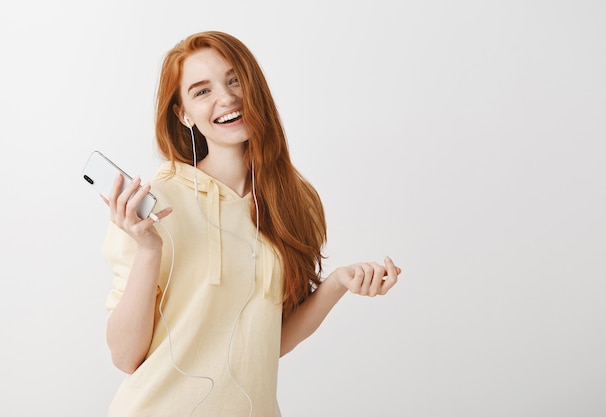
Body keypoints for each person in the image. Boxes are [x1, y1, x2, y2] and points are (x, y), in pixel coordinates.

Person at [100, 30, 400, 417]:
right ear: (183, 114)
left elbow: (267, 341)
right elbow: (125, 357)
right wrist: (147, 249)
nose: (226, 98)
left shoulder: (293, 201)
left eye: (234, 80)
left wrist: (338, 283)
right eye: (201, 91)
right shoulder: (155, 204)